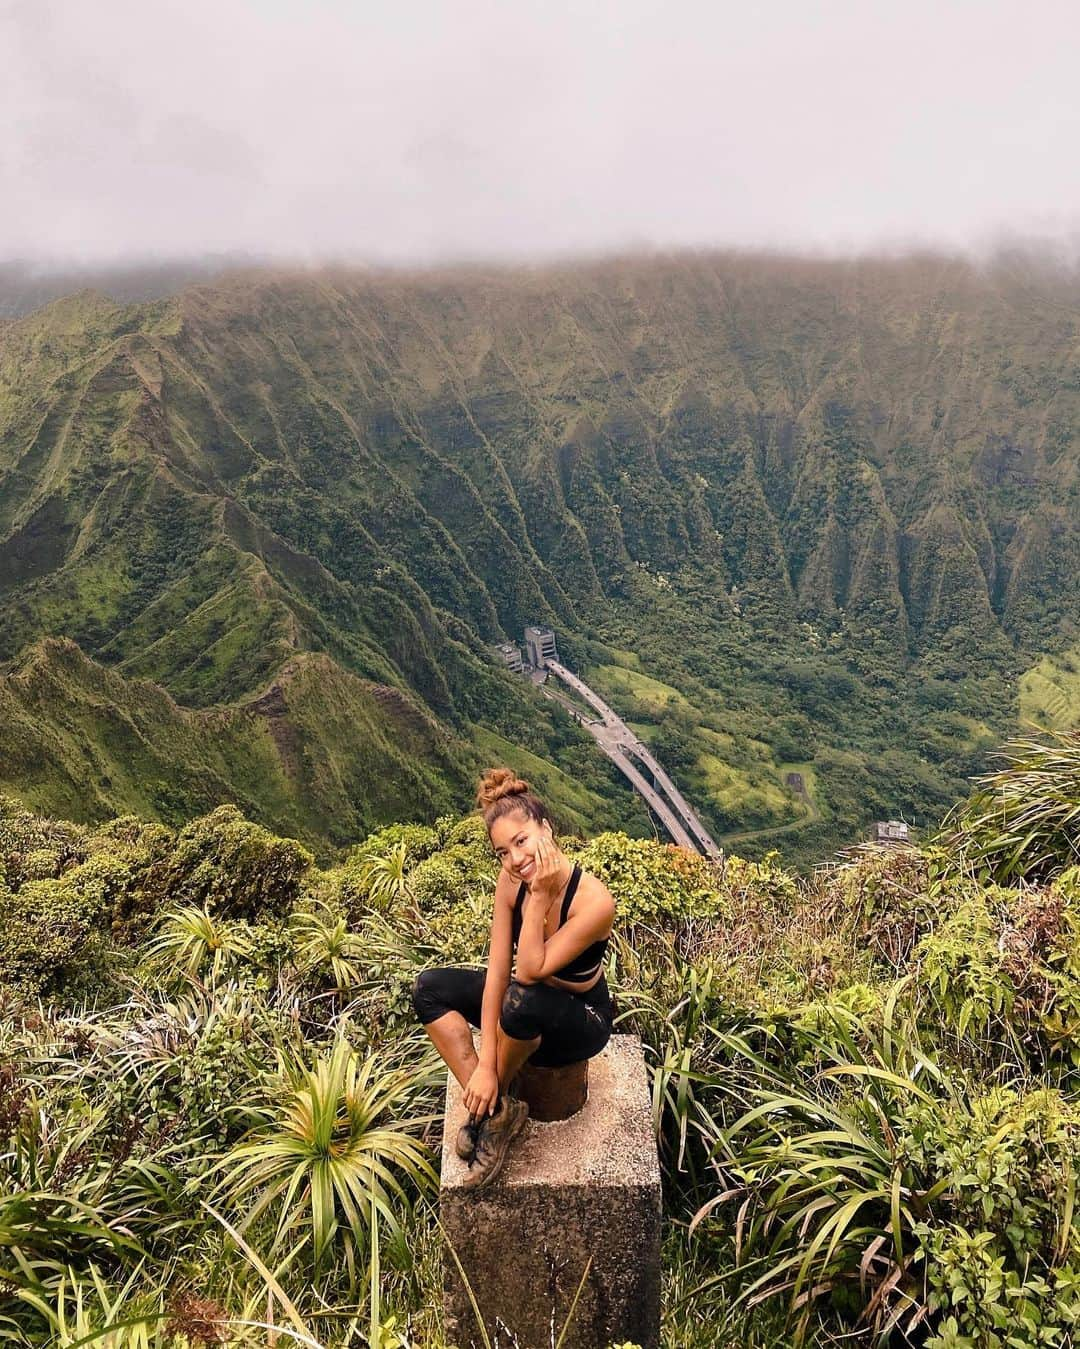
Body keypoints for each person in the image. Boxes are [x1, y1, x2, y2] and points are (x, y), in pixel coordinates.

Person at [412, 767, 616, 1190]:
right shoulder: (509, 884)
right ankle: (496, 1108)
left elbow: (529, 971)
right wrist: (484, 1065)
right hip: (524, 1004)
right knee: (429, 989)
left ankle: (486, 1114)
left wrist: (539, 895)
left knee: (522, 999)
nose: (515, 860)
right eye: (503, 852)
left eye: (521, 841)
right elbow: (497, 974)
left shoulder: (594, 901)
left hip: (582, 1022)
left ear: (546, 828)